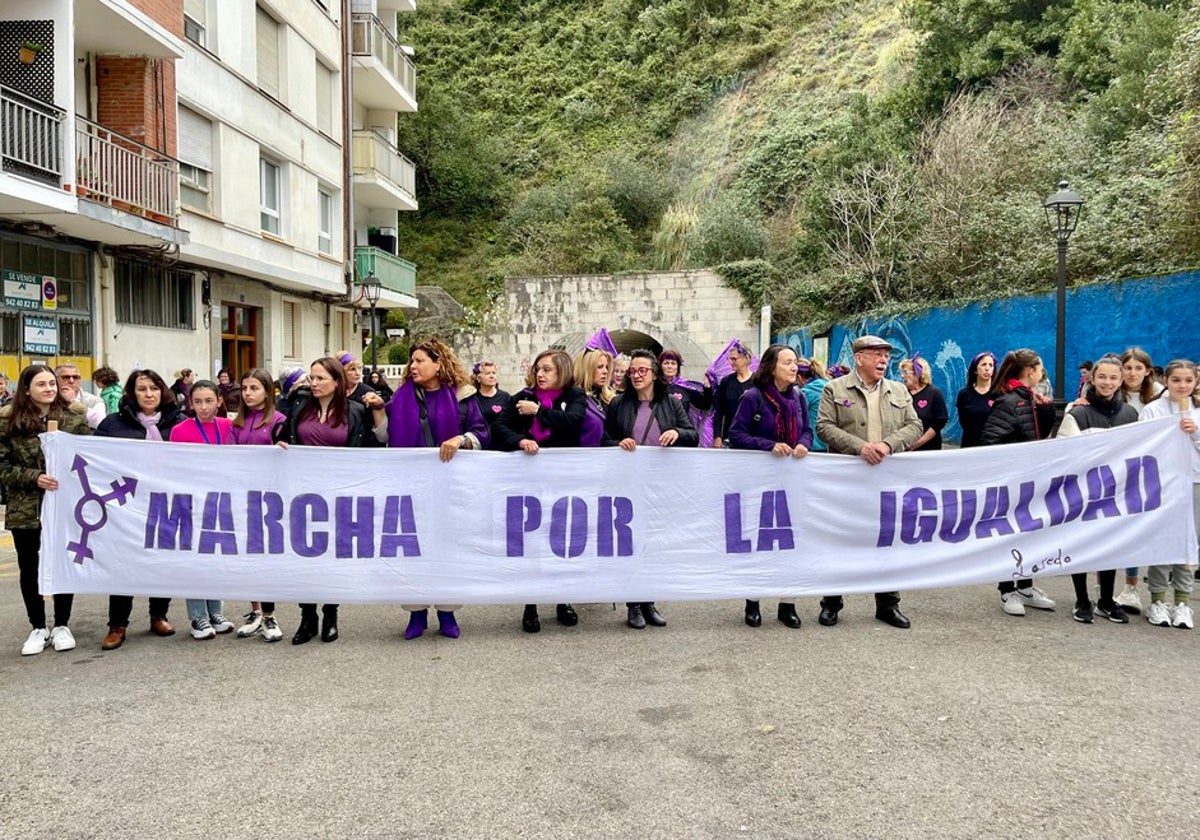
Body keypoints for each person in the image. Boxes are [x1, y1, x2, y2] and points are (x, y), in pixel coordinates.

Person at [368, 338, 487, 641]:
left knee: (447, 548)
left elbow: (481, 434)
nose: (413, 366)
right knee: (413, 550)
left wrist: (460, 439)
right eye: (412, 361)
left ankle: (447, 612)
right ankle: (416, 613)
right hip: (411, 488)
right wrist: (379, 410)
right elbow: (385, 436)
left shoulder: (463, 397)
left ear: (438, 363)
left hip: (450, 489)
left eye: (420, 360)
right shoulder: (402, 397)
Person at [816, 335, 922, 629]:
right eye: (876, 354)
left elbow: (915, 425)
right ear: (859, 358)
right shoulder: (834, 388)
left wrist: (887, 445)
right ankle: (831, 604)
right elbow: (823, 427)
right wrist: (859, 448)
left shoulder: (899, 390)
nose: (883, 360)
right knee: (840, 538)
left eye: (886, 355)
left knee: (886, 540)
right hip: (847, 480)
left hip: (886, 479)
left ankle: (888, 605)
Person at [492, 349, 586, 633]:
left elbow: (574, 422)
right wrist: (520, 441)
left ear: (562, 371)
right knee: (532, 541)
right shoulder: (522, 396)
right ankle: (530, 604)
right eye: (538, 369)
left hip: (563, 481)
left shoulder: (575, 396)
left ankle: (562, 600)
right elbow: (499, 428)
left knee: (562, 539)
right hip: (530, 483)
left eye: (547, 369)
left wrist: (540, 412)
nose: (541, 374)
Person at [278, 356, 371, 645]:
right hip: (302, 492)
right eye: (312, 378)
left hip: (337, 493)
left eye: (320, 378)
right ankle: (307, 616)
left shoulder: (354, 411)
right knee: (303, 553)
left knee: (333, 553)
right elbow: (283, 435)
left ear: (336, 381)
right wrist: (281, 444)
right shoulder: (298, 406)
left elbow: (365, 447)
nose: (314, 383)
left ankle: (330, 613)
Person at [603, 349, 698, 628]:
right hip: (629, 483)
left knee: (654, 542)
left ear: (655, 374)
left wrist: (678, 433)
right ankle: (633, 604)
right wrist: (618, 444)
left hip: (661, 483)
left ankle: (649, 601)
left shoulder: (670, 403)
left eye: (642, 370)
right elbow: (604, 440)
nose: (636, 375)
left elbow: (692, 435)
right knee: (633, 541)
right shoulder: (618, 404)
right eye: (633, 371)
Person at [0, 365, 91, 655]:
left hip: (64, 505)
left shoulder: (73, 417)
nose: (50, 389)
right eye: (41, 384)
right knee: (30, 566)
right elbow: (2, 467)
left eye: (52, 383)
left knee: (63, 561)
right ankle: (38, 626)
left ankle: (62, 624)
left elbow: (89, 456)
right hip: (26, 508)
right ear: (27, 389)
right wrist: (33, 477)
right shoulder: (8, 422)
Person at [96, 368, 187, 650]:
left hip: (166, 504)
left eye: (154, 388)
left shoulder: (180, 423)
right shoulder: (113, 424)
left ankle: (159, 614)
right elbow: (95, 459)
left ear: (163, 391)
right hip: (127, 506)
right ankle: (117, 624)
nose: (149, 394)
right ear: (132, 394)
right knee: (123, 563)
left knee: (162, 560)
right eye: (142, 389)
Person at [729, 344, 813, 629]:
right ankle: (753, 601)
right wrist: (768, 446)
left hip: (792, 480)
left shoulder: (799, 397)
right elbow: (736, 435)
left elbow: (808, 430)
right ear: (772, 366)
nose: (794, 368)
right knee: (759, 540)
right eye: (788, 362)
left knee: (790, 542)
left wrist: (803, 444)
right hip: (759, 482)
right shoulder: (752, 397)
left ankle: (787, 604)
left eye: (795, 363)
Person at [1054, 355, 1137, 623]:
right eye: (1102, 376)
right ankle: (1081, 600)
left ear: (1121, 380)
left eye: (1114, 377)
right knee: (1080, 545)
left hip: (1116, 493)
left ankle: (1106, 600)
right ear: (1092, 378)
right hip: (1084, 493)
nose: (1107, 382)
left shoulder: (1131, 414)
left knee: (1110, 546)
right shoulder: (1078, 413)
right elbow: (1064, 455)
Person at [980, 349, 1059, 617]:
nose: (1042, 372)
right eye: (1040, 368)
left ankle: (1026, 586)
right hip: (1012, 480)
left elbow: (1038, 434)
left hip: (1030, 478)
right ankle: (1007, 589)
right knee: (1010, 533)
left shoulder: (1031, 398)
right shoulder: (1009, 401)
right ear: (1030, 372)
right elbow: (990, 441)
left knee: (1030, 531)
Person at [168, 381, 236, 640]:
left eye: (209, 401)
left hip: (221, 500)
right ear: (190, 403)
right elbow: (174, 468)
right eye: (198, 402)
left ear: (219, 401)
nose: (204, 407)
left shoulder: (229, 427)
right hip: (191, 501)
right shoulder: (180, 430)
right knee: (194, 558)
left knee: (216, 557)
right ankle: (198, 616)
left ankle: (215, 610)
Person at [1138, 359, 1199, 630]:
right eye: (1176, 380)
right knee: (1163, 541)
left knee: (1188, 544)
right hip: (1162, 485)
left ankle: (1183, 602)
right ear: (1166, 381)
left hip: (1194, 482)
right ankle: (1158, 600)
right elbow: (1140, 447)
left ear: (1196, 382)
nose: (1182, 385)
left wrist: (1195, 434)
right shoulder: (1153, 410)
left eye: (1188, 380)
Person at [230, 368, 288, 642]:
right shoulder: (237, 424)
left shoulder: (278, 420)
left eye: (254, 388)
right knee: (247, 556)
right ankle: (254, 611)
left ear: (268, 391)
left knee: (267, 557)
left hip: (271, 500)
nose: (248, 393)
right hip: (244, 497)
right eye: (245, 388)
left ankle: (269, 614)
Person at [1113, 347, 1165, 614]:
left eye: (1138, 368)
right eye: (1128, 368)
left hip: (1152, 471)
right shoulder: (1110, 391)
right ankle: (1106, 592)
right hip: (1118, 471)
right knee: (1115, 529)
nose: (1132, 373)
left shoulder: (1160, 397)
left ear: (1147, 371)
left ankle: (1132, 588)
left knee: (1142, 530)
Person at [711, 342, 754, 449]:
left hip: (753, 436)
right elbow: (718, 411)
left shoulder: (758, 382)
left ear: (746, 357)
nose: (731, 362)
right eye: (730, 359)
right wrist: (717, 436)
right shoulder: (726, 382)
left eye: (734, 359)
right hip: (730, 437)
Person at [899, 356, 948, 450]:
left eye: (905, 372)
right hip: (904, 450)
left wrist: (917, 444)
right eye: (902, 372)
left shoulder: (934, 393)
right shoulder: (902, 393)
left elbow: (940, 422)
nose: (902, 376)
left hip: (929, 449)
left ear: (917, 374)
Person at [955, 352, 997, 449]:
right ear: (975, 370)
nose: (987, 368)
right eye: (983, 364)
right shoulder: (964, 394)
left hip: (993, 445)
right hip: (970, 445)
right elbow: (963, 421)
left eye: (991, 365)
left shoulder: (998, 394)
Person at [574, 348, 614, 447]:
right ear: (586, 369)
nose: (605, 371)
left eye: (607, 367)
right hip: (583, 458)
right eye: (600, 367)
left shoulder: (611, 399)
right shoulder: (573, 399)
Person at [56, 363, 105, 428]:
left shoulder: (94, 401)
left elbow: (100, 423)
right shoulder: (51, 398)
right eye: (66, 377)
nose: (71, 381)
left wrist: (73, 402)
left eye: (75, 377)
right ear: (56, 379)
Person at [796, 357, 829, 451]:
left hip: (812, 445)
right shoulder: (829, 386)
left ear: (798, 377)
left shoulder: (806, 393)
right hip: (828, 444)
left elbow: (795, 417)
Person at [470, 360, 509, 429]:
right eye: (488, 373)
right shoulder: (473, 399)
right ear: (478, 378)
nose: (492, 376)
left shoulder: (505, 397)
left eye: (494, 373)